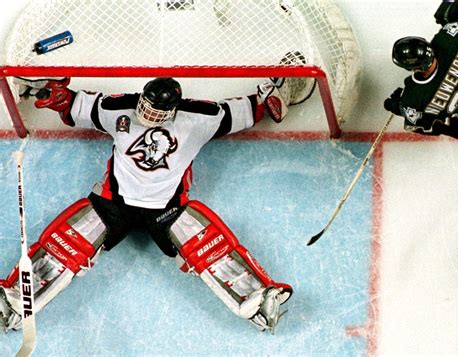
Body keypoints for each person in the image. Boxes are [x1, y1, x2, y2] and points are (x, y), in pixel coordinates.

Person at [0, 52, 316, 334]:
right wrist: (62, 100)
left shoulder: (199, 118)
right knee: (64, 247)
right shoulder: (119, 109)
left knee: (210, 247)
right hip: (113, 204)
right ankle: (12, 300)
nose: (148, 116)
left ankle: (259, 298)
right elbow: (78, 105)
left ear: (173, 110)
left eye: (157, 113)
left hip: (167, 210)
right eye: (145, 108)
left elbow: (251, 109)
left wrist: (271, 97)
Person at [384, 0, 458, 140]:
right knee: (446, 14)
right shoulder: (448, 39)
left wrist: (402, 109)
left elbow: (457, 132)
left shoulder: (412, 99)